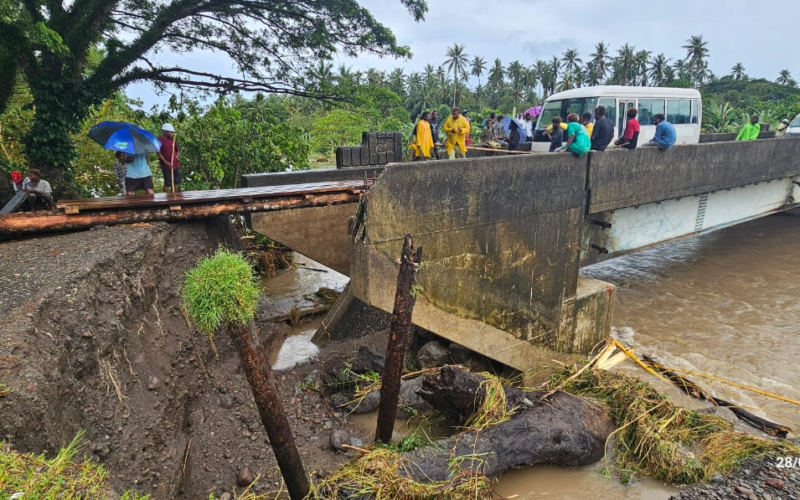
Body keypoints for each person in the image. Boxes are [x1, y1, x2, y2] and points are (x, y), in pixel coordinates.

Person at [158, 123, 181, 193]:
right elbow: (158, 153)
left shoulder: (173, 140)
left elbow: (177, 150)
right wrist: (166, 162)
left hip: (175, 164)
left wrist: (177, 156)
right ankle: (166, 199)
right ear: (166, 132)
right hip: (166, 165)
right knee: (167, 183)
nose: (172, 134)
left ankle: (174, 196)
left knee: (176, 182)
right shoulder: (159, 140)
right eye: (171, 132)